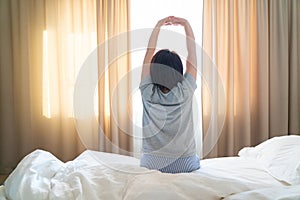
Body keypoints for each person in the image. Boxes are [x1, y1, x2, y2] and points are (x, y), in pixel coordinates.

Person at [139, 16, 200, 173]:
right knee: (196, 160)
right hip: (185, 162)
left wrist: (158, 25)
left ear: (153, 70)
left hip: (152, 162)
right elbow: (192, 54)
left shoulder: (147, 91)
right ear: (179, 71)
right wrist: (186, 24)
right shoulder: (185, 90)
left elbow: (149, 52)